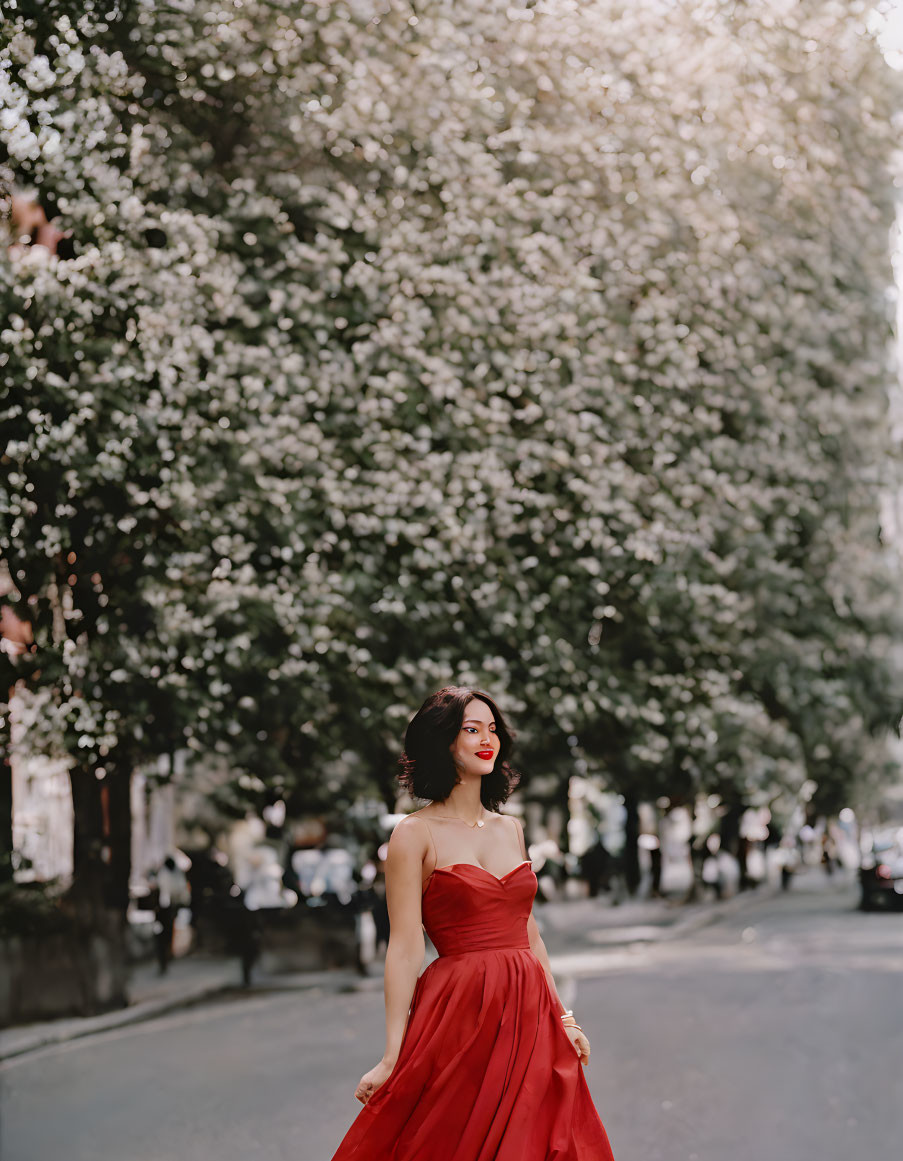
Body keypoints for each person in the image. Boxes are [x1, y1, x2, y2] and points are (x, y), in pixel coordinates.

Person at [328, 686, 615, 1161]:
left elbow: (529, 932)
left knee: (539, 1140)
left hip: (529, 1007)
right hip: (462, 1010)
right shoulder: (413, 834)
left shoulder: (512, 828)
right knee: (451, 1140)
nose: (488, 739)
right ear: (444, 742)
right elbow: (404, 947)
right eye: (471, 729)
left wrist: (564, 1017)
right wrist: (392, 1053)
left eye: (493, 729)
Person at [151, 854, 190, 974]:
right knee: (163, 937)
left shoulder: (170, 875)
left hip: (167, 911)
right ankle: (164, 959)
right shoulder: (168, 875)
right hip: (164, 911)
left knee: (165, 937)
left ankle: (165, 958)